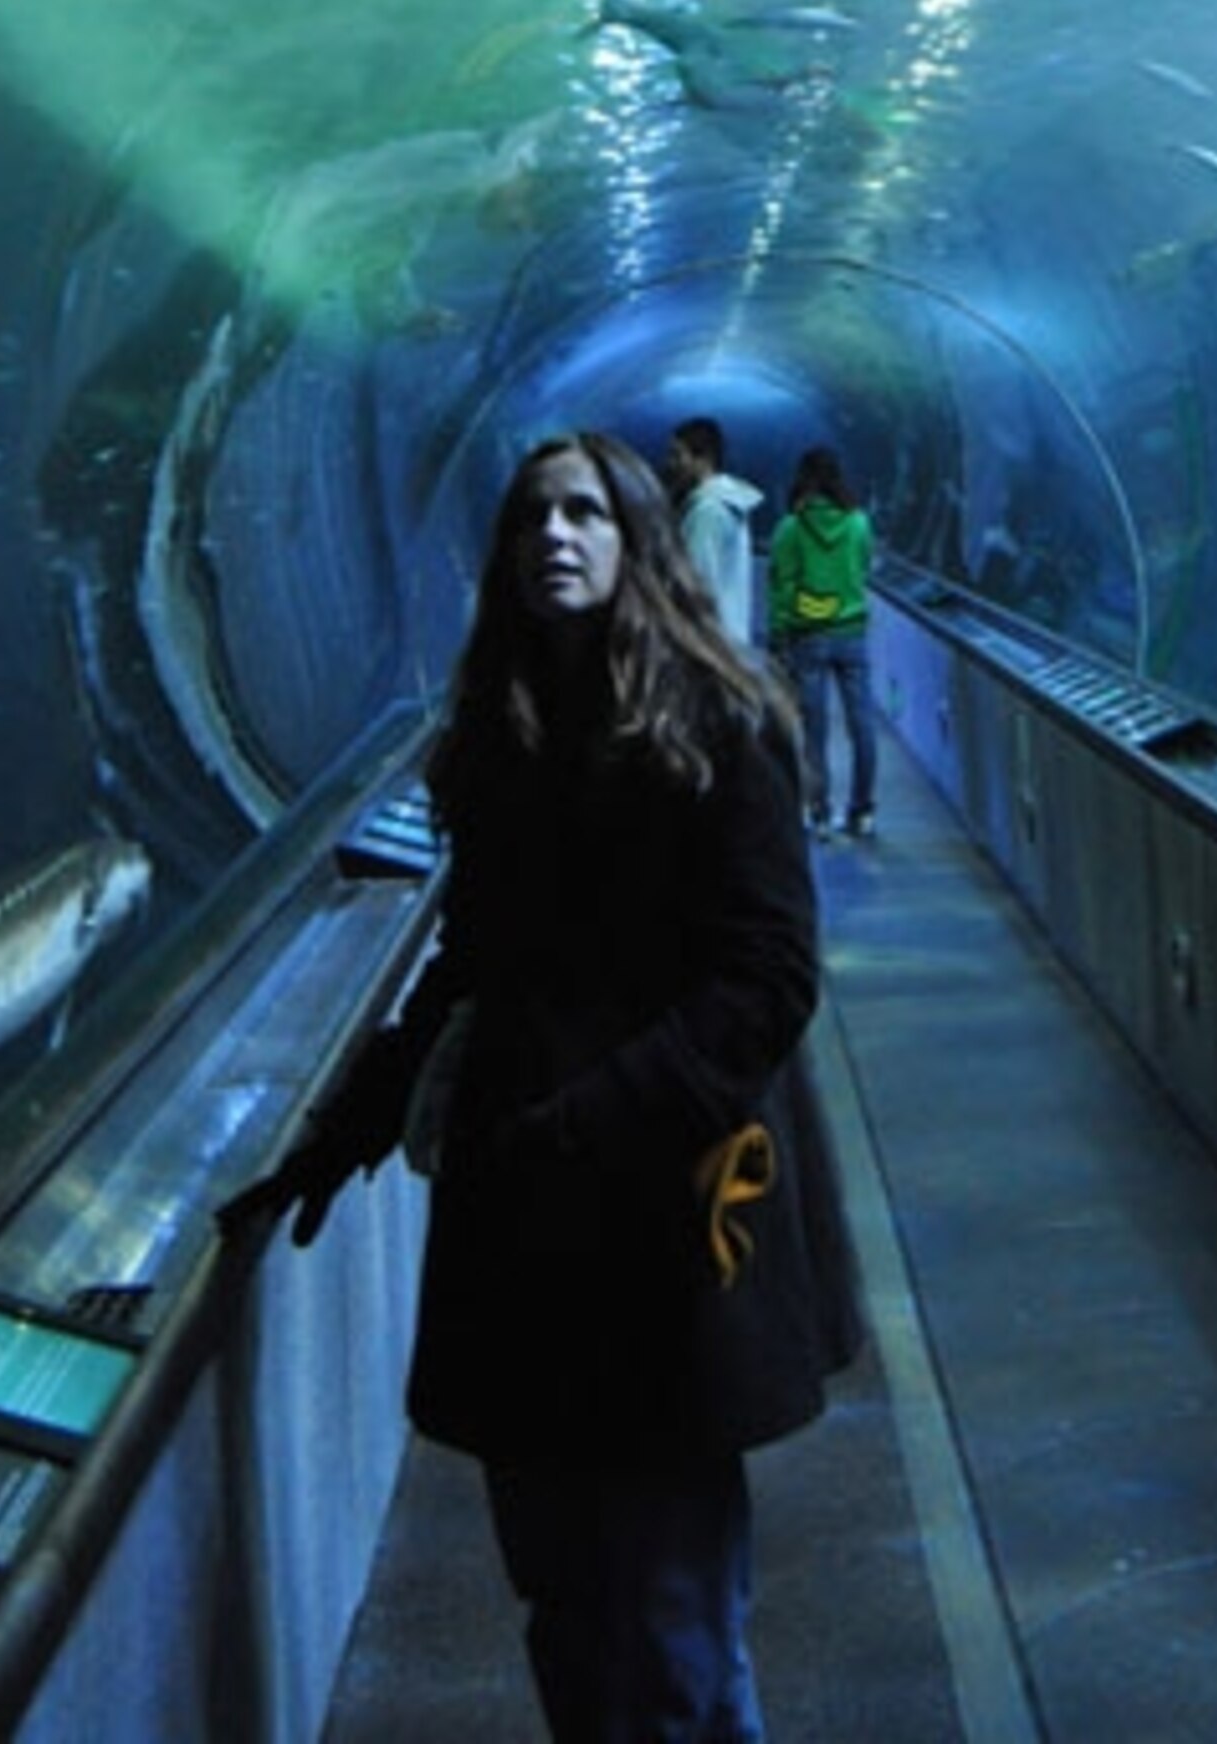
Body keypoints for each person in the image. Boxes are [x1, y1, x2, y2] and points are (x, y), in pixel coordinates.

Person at [221, 430, 862, 1744]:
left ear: (637, 540)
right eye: (529, 519)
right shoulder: (500, 740)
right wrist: (337, 1134)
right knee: (561, 1597)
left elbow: (765, 979)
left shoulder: (724, 729)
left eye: (582, 514)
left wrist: (582, 1127)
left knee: (678, 1617)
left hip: (664, 1217)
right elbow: (470, 969)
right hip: (521, 1225)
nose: (553, 539)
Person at [768, 447, 882, 843]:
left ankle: (819, 811)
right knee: (862, 725)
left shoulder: (790, 529)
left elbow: (782, 587)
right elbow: (865, 566)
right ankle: (863, 810)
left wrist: (778, 636)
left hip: (807, 637)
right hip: (851, 633)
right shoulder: (858, 524)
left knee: (813, 730)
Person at [665, 416, 765, 650]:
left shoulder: (707, 511)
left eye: (677, 455)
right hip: (730, 636)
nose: (670, 463)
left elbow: (695, 583)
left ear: (704, 459)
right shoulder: (729, 503)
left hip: (707, 643)